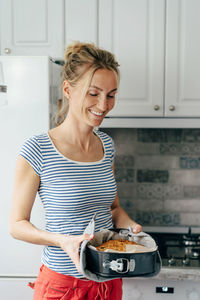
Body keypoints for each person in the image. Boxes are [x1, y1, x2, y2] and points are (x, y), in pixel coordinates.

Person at [9, 42, 142, 300]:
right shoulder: (38, 148)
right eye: (94, 93)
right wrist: (62, 240)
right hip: (63, 287)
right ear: (68, 90)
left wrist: (132, 227)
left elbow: (113, 209)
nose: (103, 105)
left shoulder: (106, 145)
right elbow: (17, 225)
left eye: (111, 95)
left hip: (108, 281)